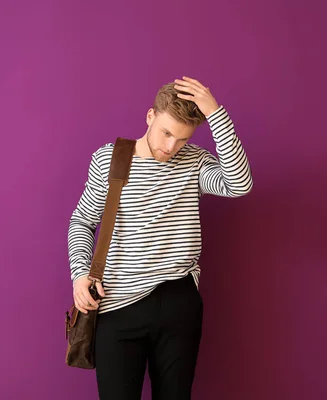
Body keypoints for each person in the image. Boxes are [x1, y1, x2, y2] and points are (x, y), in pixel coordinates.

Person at [67, 76, 253, 399]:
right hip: (117, 303)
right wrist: (79, 273)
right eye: (166, 133)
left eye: (181, 139)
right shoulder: (110, 159)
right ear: (150, 116)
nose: (170, 148)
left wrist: (216, 113)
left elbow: (239, 183)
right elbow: (82, 220)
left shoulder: (194, 161)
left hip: (177, 302)